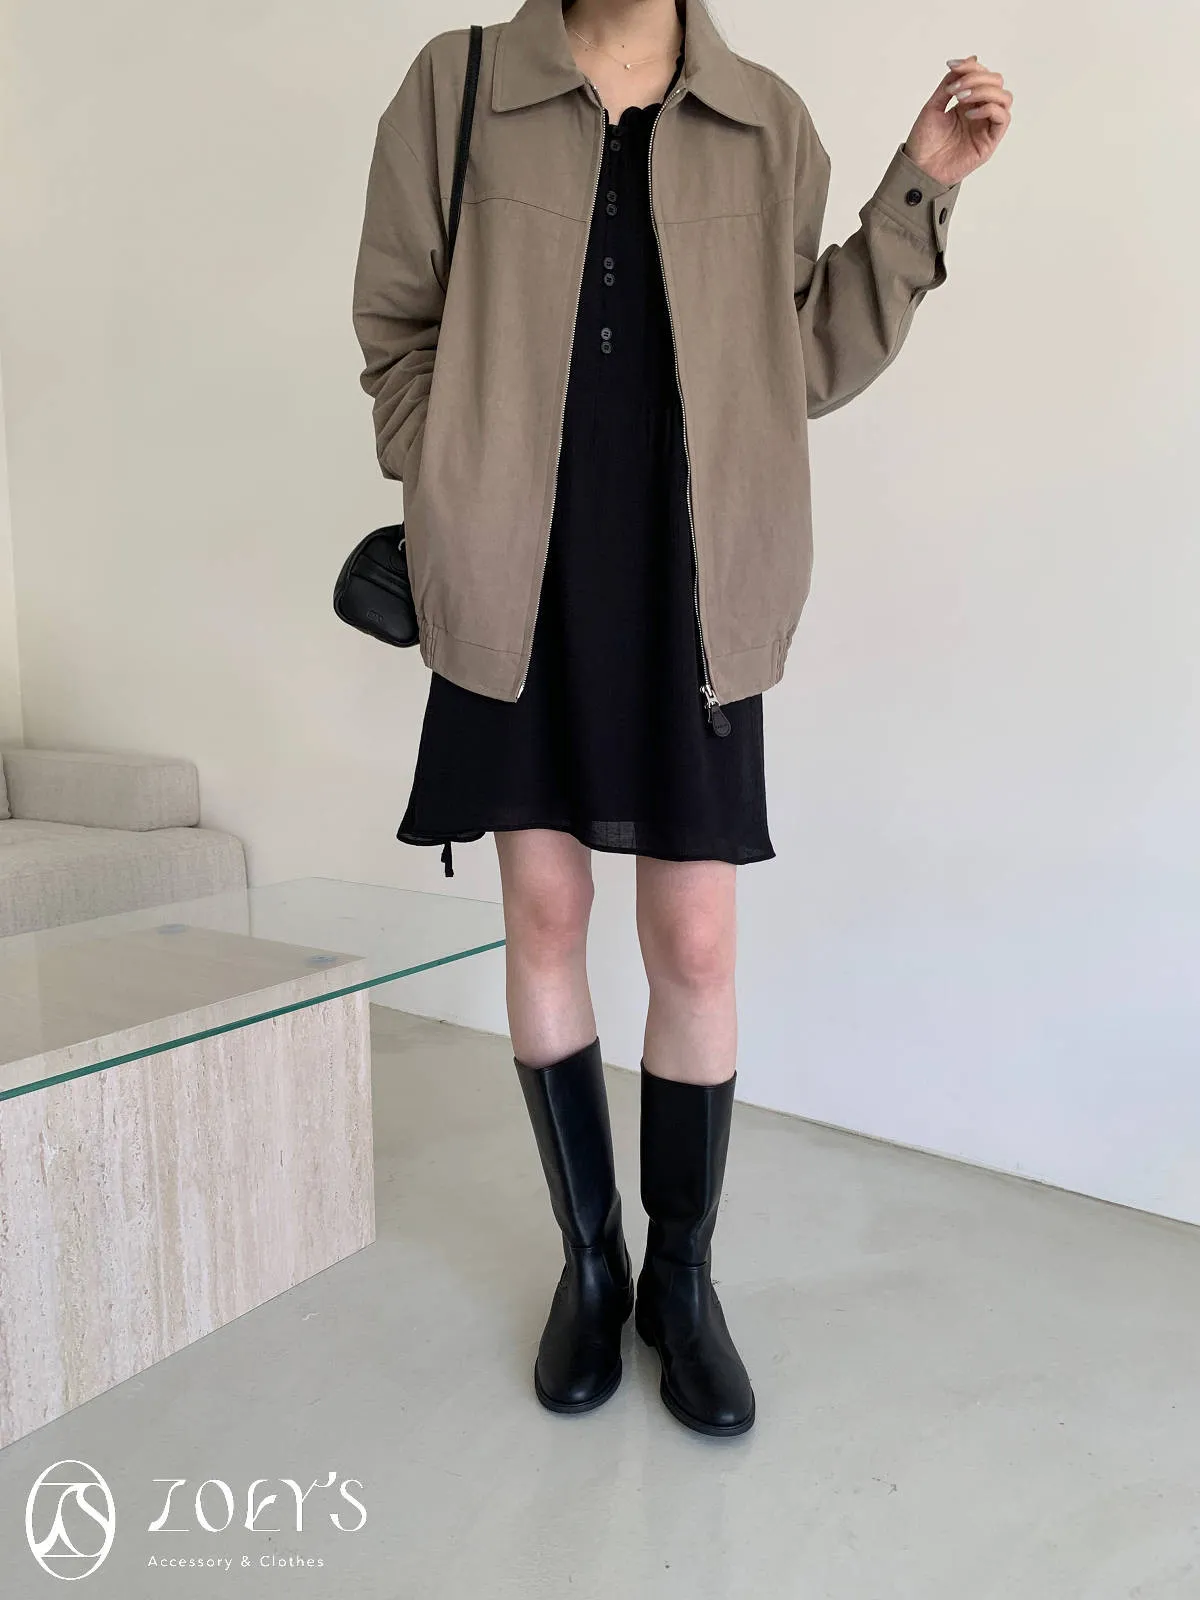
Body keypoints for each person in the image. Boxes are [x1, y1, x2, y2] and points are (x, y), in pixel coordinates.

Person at [352, 0, 1011, 1437]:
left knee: (696, 943)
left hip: (693, 577)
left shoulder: (767, 119)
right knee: (543, 915)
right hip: (514, 573)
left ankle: (684, 1284)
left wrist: (922, 184)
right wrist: (445, 478)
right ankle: (591, 1267)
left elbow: (804, 355)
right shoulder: (460, 84)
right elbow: (396, 321)